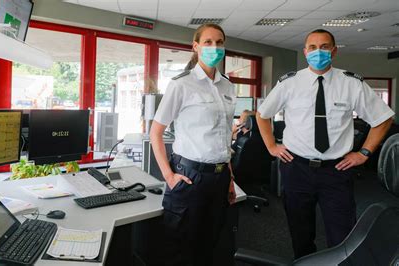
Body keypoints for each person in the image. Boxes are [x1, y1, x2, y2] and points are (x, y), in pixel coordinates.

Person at [256, 29, 395, 259]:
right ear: (305, 51)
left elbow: (383, 118)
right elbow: (262, 114)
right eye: (312, 47)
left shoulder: (351, 83)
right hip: (296, 169)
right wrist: (272, 146)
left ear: (334, 50)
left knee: (342, 237)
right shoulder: (289, 83)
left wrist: (364, 153)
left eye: (324, 46)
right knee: (300, 234)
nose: (318, 52)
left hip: (336, 171)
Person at [149, 23, 236, 266]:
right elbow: (156, 131)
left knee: (211, 245)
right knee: (180, 248)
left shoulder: (228, 86)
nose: (214, 47)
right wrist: (169, 176)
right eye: (208, 42)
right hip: (190, 176)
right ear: (196, 46)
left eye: (219, 42)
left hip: (219, 177)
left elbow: (223, 137)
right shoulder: (182, 84)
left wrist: (229, 177)